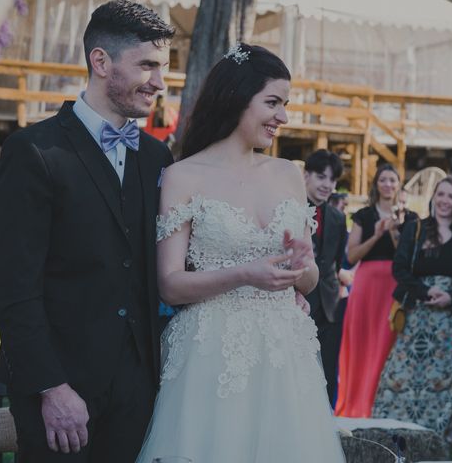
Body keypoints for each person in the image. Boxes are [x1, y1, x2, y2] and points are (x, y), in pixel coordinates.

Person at [135, 44, 345, 462]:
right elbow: (170, 284)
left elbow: (309, 279)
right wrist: (246, 274)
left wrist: (300, 265)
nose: (282, 117)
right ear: (236, 97)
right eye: (272, 103)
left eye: (285, 104)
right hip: (212, 353)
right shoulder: (182, 177)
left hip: (284, 354)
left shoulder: (288, 174)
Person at [0, 0, 174, 462]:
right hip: (59, 389)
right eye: (147, 66)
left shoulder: (157, 159)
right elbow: (13, 286)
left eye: (162, 67)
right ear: (101, 61)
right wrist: (51, 387)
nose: (159, 82)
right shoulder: (33, 152)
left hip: (138, 390)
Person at [373, 176, 452, 436]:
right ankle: (394, 432)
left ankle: (434, 435)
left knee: (443, 379)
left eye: (451, 196)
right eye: (441, 195)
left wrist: (451, 298)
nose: (445, 201)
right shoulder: (416, 228)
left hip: (449, 322)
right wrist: (425, 292)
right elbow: (399, 269)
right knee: (401, 374)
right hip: (416, 316)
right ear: (433, 197)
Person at [335, 164, 417, 417]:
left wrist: (393, 232)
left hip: (394, 285)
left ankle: (384, 403)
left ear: (399, 185)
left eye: (393, 180)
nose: (388, 184)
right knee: (362, 340)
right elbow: (351, 254)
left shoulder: (411, 218)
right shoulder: (364, 215)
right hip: (368, 283)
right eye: (383, 179)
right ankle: (357, 403)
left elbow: (409, 257)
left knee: (388, 342)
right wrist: (377, 234)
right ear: (376, 184)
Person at [303, 150, 348, 406]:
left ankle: (326, 419)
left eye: (332, 180)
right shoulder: (290, 208)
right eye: (321, 177)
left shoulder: (338, 218)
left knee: (327, 370)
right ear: (306, 175)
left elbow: (336, 261)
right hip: (297, 300)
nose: (327, 185)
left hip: (330, 305)